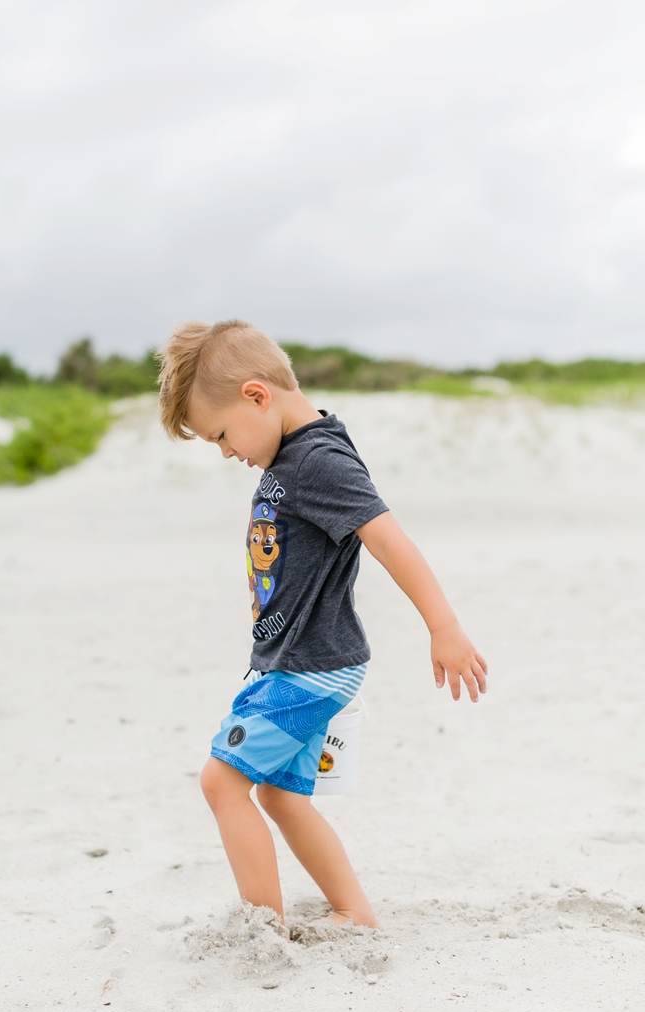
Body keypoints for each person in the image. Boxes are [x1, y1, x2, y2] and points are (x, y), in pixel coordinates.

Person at [157, 319, 487, 930]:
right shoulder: (298, 451)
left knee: (221, 783)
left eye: (222, 435)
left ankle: (261, 928)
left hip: (313, 665)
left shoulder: (317, 460)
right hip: (299, 659)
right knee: (280, 795)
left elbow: (390, 540)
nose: (227, 451)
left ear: (258, 395)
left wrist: (443, 626)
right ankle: (352, 912)